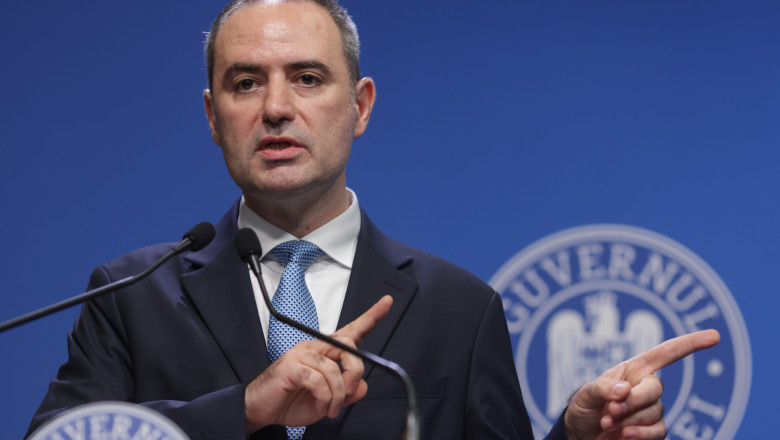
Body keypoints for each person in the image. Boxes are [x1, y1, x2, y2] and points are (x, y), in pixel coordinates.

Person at [27, 0, 720, 439]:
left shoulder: (459, 309)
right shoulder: (131, 296)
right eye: (245, 82)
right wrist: (245, 408)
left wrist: (575, 436)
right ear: (213, 116)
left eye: (307, 78)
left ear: (359, 106)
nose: (275, 108)